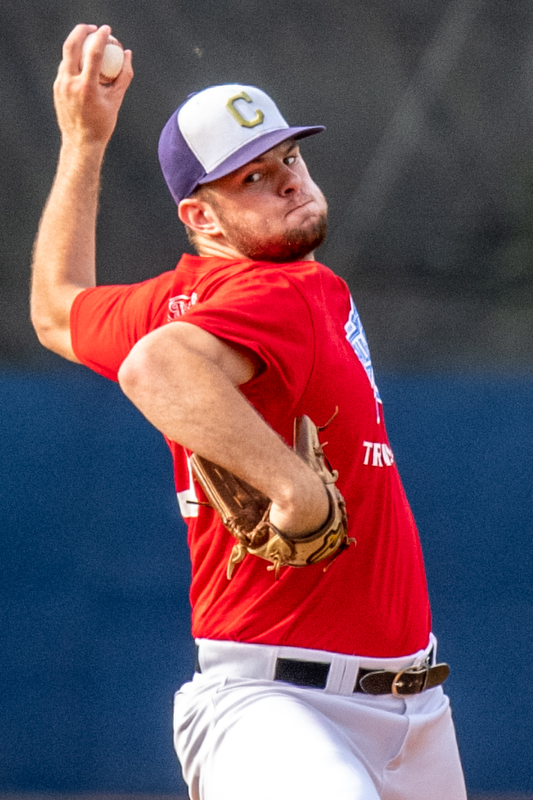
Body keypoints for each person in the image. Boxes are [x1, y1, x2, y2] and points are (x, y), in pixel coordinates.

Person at [31, 23, 467, 800]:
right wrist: (292, 489)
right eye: (252, 179)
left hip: (410, 708)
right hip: (278, 711)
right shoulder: (284, 290)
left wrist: (84, 142)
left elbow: (55, 313)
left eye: (288, 159)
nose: (290, 180)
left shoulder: (176, 301)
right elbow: (154, 366)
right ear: (201, 220)